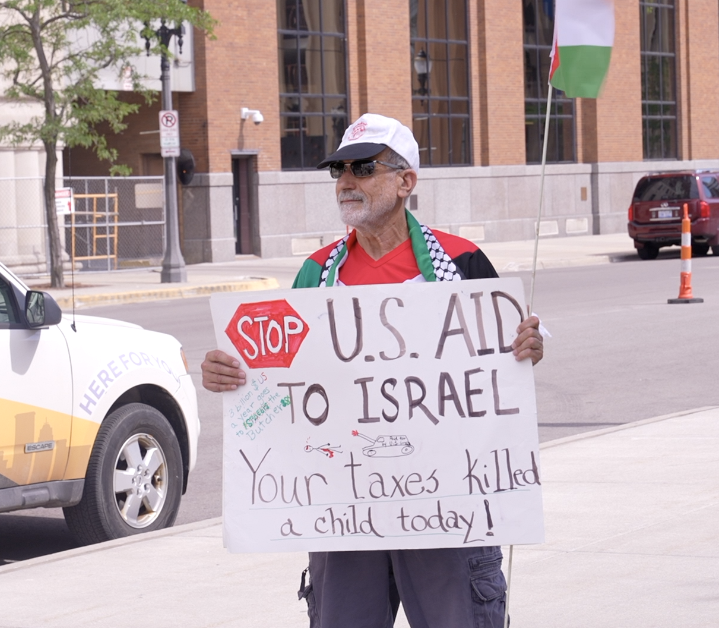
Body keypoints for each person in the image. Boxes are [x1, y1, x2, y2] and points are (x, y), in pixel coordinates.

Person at [202, 113, 544, 628]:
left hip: (444, 506)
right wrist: (230, 373)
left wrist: (531, 345)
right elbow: (278, 381)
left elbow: (503, 362)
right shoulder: (316, 273)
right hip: (344, 508)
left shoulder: (463, 261)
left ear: (406, 181)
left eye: (363, 168)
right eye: (338, 170)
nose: (345, 181)